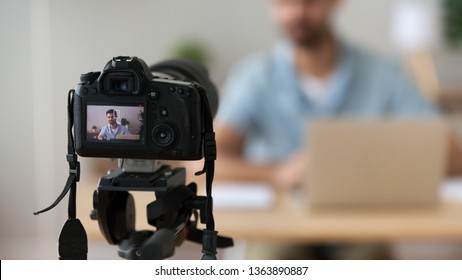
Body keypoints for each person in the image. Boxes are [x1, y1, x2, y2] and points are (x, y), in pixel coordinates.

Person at [214, 0, 462, 259]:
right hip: (281, 224)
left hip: (360, 223)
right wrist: (277, 173)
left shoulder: (383, 74)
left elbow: (452, 154)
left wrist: (384, 166)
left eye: (309, 2)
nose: (297, 12)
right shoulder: (254, 77)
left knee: (367, 259)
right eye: (284, 2)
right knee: (272, 259)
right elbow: (205, 162)